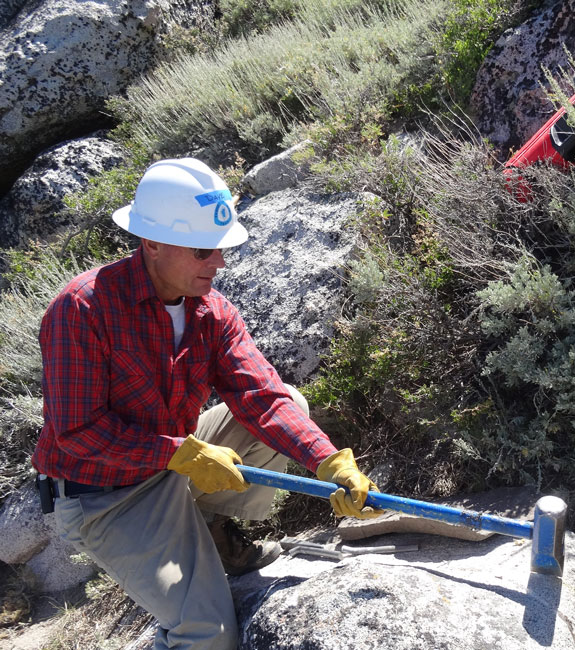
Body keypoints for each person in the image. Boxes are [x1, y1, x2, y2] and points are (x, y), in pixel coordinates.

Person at [32, 158, 382, 650]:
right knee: (207, 635)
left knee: (292, 405)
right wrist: (176, 455)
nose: (217, 263)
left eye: (221, 249)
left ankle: (209, 526)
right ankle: (190, 552)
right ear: (151, 243)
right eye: (203, 250)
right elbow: (77, 433)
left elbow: (261, 395)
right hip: (106, 495)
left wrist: (328, 461)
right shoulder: (83, 309)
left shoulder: (211, 311)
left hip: (174, 462)